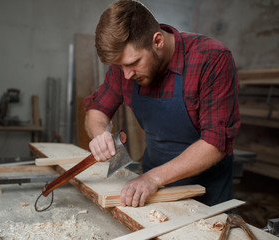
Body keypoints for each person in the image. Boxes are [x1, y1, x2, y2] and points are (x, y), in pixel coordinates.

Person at [84, 0, 240, 207]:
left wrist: (153, 178)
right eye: (120, 67)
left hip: (206, 192)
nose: (126, 75)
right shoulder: (124, 67)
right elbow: (97, 110)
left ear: (157, 41)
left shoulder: (211, 59)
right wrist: (99, 134)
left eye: (133, 64)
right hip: (151, 188)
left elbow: (216, 142)